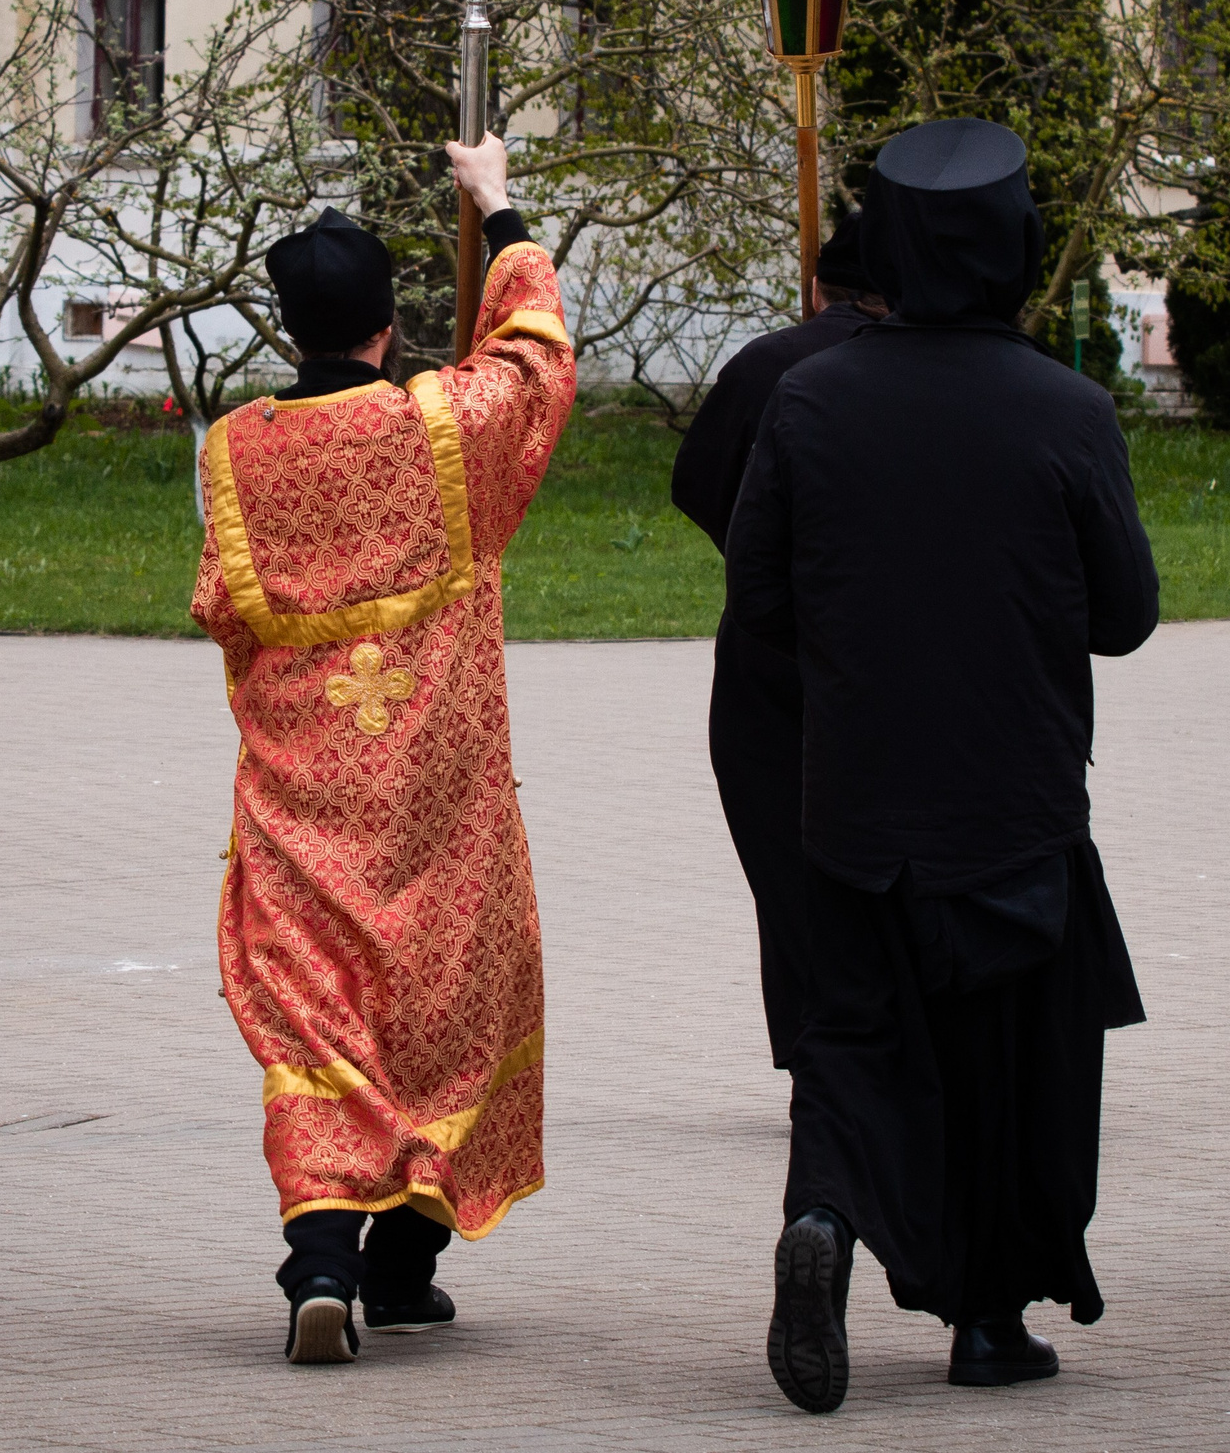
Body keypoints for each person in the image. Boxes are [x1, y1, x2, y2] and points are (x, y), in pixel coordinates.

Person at [726, 119, 1157, 1412]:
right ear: (1017, 249)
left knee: (852, 1040)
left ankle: (823, 1221)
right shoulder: (1068, 410)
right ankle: (988, 1321)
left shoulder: (811, 396)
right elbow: (1124, 615)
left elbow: (758, 606)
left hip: (857, 797)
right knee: (1010, 1061)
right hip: (1013, 798)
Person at [193, 137, 577, 1365]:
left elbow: (222, 607)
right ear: (388, 319)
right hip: (435, 791)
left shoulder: (235, 447)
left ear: (287, 322)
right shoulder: (445, 426)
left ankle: (323, 1257)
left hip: (304, 792)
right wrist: (498, 199)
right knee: (443, 1003)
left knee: (318, 1021)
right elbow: (533, 360)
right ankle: (406, 1264)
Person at [669, 212, 886, 1068]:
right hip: (887, 657)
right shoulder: (916, 369)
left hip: (771, 655)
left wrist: (756, 553)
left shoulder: (771, 364)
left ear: (817, 288)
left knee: (787, 862)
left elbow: (697, 481)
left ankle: (816, 1041)